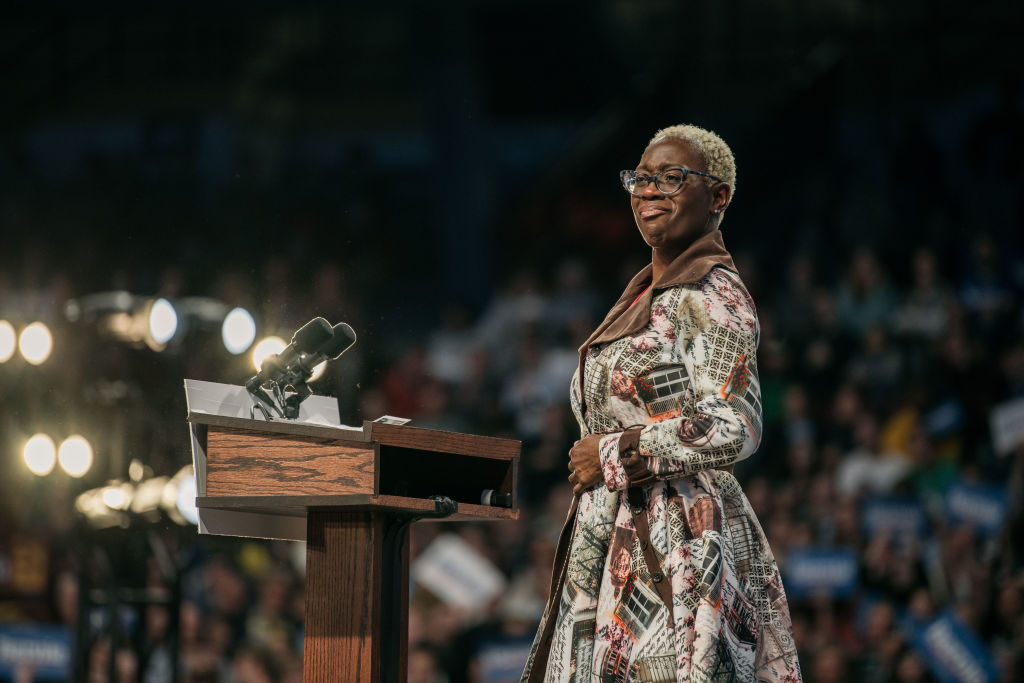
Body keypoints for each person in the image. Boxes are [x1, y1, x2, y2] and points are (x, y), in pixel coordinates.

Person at [521, 124, 802, 681]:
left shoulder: (710, 293)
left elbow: (737, 424)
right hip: (624, 531)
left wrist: (614, 452)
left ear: (718, 196)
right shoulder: (648, 292)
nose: (649, 191)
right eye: (641, 178)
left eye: (671, 178)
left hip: (678, 539)